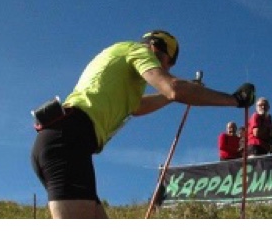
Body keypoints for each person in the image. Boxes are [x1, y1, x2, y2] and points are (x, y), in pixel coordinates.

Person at [30, 30, 255, 219]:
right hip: (69, 140)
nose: (165, 71)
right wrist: (234, 100)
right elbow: (173, 89)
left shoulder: (120, 60)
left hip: (65, 139)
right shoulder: (138, 51)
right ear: (158, 49)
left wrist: (181, 90)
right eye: (167, 65)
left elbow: (137, 107)